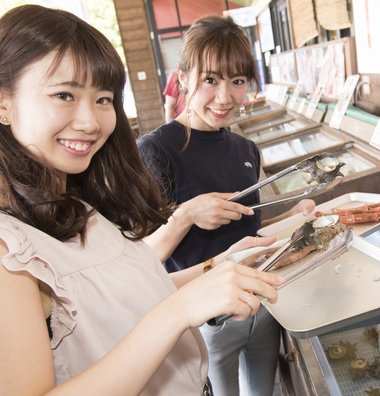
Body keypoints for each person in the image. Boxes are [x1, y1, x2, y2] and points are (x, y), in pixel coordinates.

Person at [0, 5, 283, 396]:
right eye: (64, 94)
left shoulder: (78, 204)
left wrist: (222, 264)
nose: (90, 121)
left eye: (103, 99)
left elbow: (129, 290)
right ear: (3, 102)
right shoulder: (8, 249)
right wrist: (179, 309)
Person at [137, 15, 315, 396]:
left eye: (237, 81)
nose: (225, 97)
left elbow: (251, 229)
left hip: (263, 303)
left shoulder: (245, 149)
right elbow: (141, 260)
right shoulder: (156, 150)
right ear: (182, 78)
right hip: (205, 319)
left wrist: (293, 216)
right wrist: (186, 215)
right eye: (210, 80)